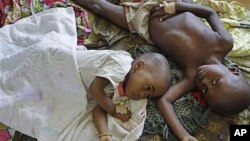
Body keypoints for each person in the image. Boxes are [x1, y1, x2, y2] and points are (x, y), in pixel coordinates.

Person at [73, 0, 250, 141]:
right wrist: (176, 6)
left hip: (141, 21)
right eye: (215, 82)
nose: (203, 82)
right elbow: (209, 12)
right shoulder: (224, 43)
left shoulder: (191, 75)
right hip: (168, 4)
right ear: (233, 70)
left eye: (205, 90)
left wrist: (184, 135)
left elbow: (164, 101)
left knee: (98, 6)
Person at [76, 49, 170, 141]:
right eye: (147, 88)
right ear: (138, 66)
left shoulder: (124, 90)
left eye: (147, 96)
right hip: (72, 67)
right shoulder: (122, 65)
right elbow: (95, 88)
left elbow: (99, 109)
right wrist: (114, 110)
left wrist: (104, 134)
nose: (141, 95)